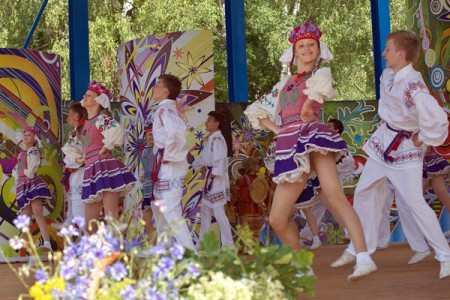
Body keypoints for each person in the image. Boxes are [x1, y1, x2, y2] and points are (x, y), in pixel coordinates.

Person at [244, 21, 376, 280]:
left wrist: (308, 106)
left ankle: (363, 255)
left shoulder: (320, 74)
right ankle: (301, 265)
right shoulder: (284, 82)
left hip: (313, 136)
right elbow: (257, 110)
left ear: (318, 49)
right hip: (290, 142)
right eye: (301, 45)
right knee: (277, 218)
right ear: (293, 52)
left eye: (311, 45)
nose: (306, 49)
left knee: (335, 195)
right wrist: (278, 130)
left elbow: (318, 93)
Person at [332, 30, 450, 280]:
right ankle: (360, 249)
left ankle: (445, 255)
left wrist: (422, 137)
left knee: (415, 203)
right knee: (364, 191)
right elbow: (388, 109)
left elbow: (438, 119)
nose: (384, 53)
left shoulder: (413, 86)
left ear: (401, 54)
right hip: (383, 143)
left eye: (388, 49)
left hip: (405, 150)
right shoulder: (388, 75)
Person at [79, 81, 136, 232]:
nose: (85, 96)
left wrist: (106, 146)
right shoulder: (86, 123)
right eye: (85, 94)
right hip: (92, 169)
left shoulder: (101, 119)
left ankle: (117, 253)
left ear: (98, 101)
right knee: (89, 225)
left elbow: (118, 131)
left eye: (89, 95)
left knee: (111, 218)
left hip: (105, 167)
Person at [149, 74, 196, 251]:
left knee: (170, 210)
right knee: (160, 207)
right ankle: (165, 250)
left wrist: (169, 155)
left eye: (157, 85)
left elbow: (176, 132)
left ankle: (191, 254)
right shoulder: (165, 109)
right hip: (166, 164)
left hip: (170, 164)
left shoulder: (165, 111)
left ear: (165, 91)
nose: (154, 87)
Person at [300, 118, 355, 246]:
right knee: (317, 208)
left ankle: (350, 231)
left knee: (335, 205)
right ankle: (306, 235)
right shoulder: (324, 142)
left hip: (333, 180)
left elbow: (348, 164)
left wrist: (334, 173)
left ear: (337, 130)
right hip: (321, 180)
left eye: (330, 127)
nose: (327, 128)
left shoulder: (339, 143)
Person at [192, 111, 234, 248]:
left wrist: (212, 173)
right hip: (211, 179)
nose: (206, 122)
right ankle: (202, 242)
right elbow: (205, 159)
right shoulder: (212, 138)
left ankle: (229, 246)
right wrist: (198, 166)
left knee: (219, 213)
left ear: (217, 124)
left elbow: (220, 160)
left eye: (209, 120)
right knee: (205, 212)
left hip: (216, 180)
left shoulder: (217, 139)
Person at [13, 126, 53, 252]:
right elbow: (17, 170)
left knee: (37, 213)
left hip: (31, 184)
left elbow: (31, 170)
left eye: (29, 135)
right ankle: (29, 249)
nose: (26, 136)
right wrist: (18, 176)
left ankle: (47, 242)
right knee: (25, 219)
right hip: (22, 185)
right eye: (25, 134)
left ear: (35, 139)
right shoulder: (21, 153)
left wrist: (24, 174)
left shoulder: (33, 151)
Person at [55, 102, 88, 229]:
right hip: (78, 173)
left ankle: (95, 243)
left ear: (75, 115)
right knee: (76, 210)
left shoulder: (83, 130)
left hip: (82, 173)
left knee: (79, 211)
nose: (67, 118)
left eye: (69, 115)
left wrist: (76, 161)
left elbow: (85, 155)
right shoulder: (77, 131)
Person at [141, 124, 156, 242]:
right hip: (148, 188)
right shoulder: (145, 151)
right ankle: (158, 246)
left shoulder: (159, 150)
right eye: (150, 134)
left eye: (154, 134)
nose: (152, 137)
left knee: (162, 220)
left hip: (156, 188)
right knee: (146, 221)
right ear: (145, 136)